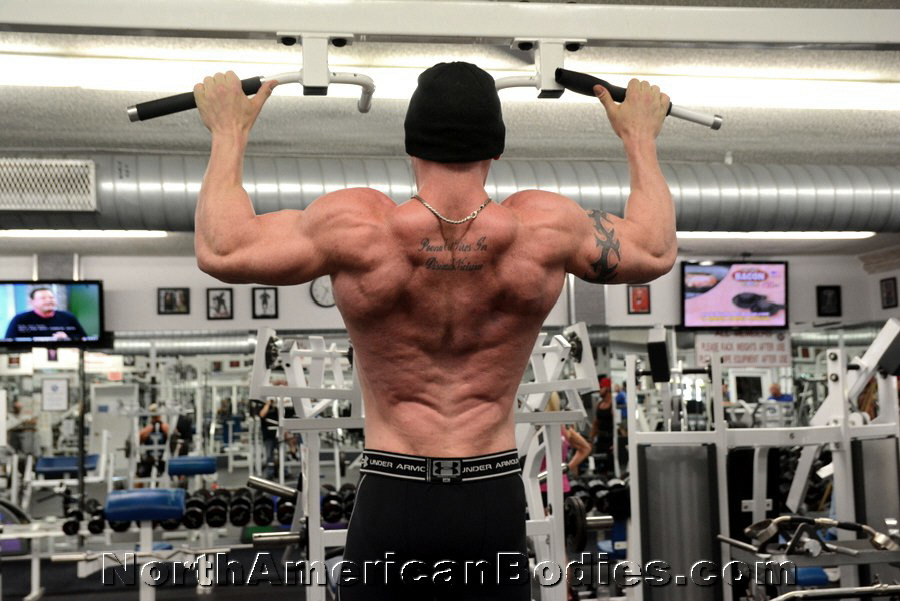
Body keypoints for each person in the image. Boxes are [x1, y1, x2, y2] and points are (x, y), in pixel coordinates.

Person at [193, 62, 674, 599]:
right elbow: (654, 250)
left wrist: (229, 131)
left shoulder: (358, 227)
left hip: (393, 493)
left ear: (411, 147)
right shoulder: (544, 229)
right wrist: (639, 137)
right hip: (491, 495)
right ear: (496, 150)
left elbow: (222, 249)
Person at [4, 287, 87, 341]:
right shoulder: (19, 319)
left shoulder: (68, 317)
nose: (49, 300)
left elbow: (84, 338)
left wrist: (67, 338)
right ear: (32, 302)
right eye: (43, 298)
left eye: (51, 297)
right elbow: (9, 341)